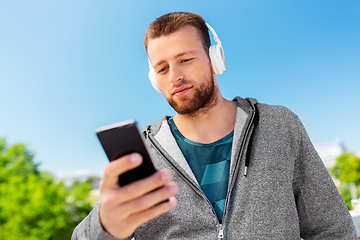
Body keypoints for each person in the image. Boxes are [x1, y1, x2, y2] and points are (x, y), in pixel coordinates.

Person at [72, 12, 356, 239]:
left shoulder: (280, 125)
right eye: (162, 68)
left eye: (185, 59)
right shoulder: (143, 156)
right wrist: (104, 225)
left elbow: (332, 229)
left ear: (214, 59)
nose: (175, 77)